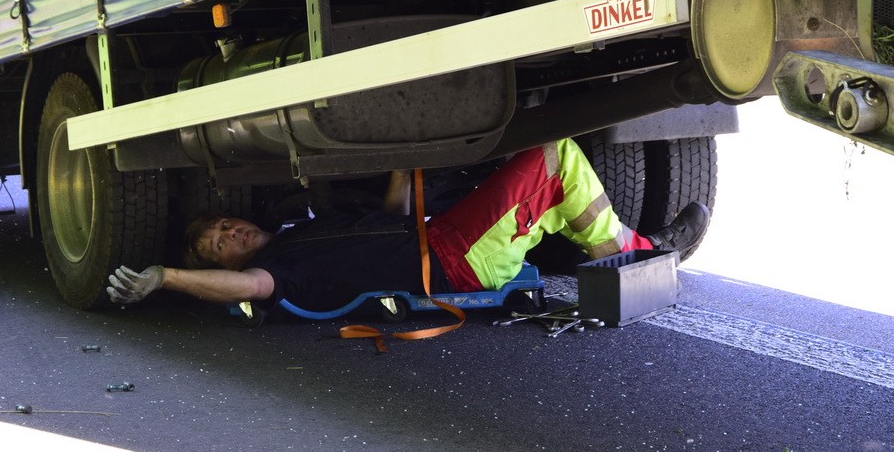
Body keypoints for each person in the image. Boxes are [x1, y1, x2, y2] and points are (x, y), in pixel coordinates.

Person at [106, 138, 710, 312]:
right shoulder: (278, 270)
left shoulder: (300, 225)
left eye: (222, 226)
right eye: (217, 248)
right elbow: (249, 290)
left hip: (438, 236)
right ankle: (638, 256)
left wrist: (406, 152)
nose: (228, 235)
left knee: (547, 178)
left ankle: (632, 251)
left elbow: (390, 217)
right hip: (451, 261)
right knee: (552, 160)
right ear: (227, 267)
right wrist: (167, 276)